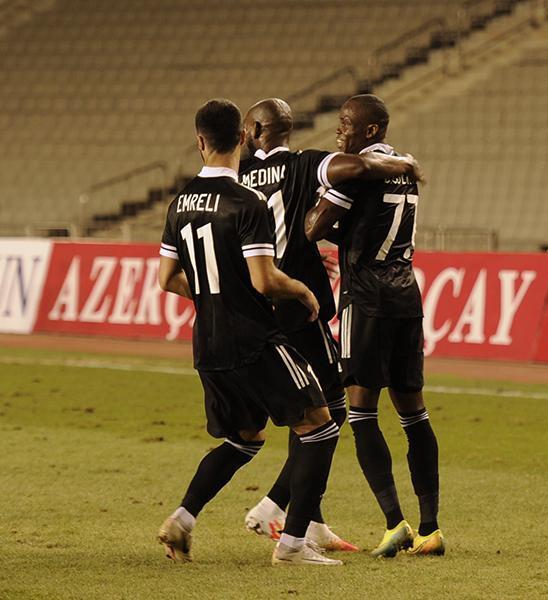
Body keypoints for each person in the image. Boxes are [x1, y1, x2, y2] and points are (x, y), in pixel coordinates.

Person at [157, 99, 342, 566]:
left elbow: (166, 278)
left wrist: (213, 296)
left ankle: (181, 519)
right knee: (321, 426)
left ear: (200, 141)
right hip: (252, 339)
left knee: (245, 438)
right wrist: (303, 290)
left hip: (208, 340)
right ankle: (292, 544)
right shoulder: (247, 201)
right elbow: (264, 279)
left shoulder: (179, 203)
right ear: (242, 139)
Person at [238, 98, 423, 553]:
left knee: (303, 408)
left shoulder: (238, 177)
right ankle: (276, 508)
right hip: (299, 299)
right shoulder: (302, 164)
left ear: (254, 132)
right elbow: (357, 168)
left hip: (254, 300)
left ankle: (312, 519)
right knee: (332, 410)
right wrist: (404, 162)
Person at [305, 94, 444, 556]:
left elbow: (314, 227)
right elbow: (371, 222)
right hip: (406, 295)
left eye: (346, 123)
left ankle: (393, 523)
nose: (338, 130)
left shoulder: (358, 171)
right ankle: (431, 528)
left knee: (362, 410)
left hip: (366, 297)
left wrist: (310, 214)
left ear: (370, 130)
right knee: (414, 413)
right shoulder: (405, 170)